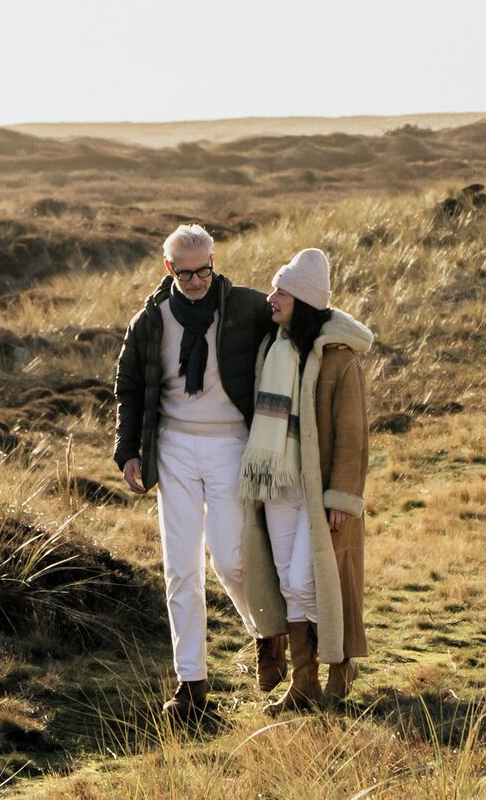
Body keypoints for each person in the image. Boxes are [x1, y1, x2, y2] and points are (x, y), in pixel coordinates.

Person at [112, 223, 279, 727]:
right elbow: (130, 387)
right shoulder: (150, 321)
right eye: (185, 274)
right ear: (169, 270)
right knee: (180, 569)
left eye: (203, 270)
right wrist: (128, 452)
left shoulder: (245, 308)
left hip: (231, 445)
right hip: (175, 449)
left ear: (213, 261)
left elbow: (296, 328)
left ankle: (267, 636)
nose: (196, 281)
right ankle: (191, 686)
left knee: (231, 559)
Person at [239, 247, 372, 712]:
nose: (271, 298)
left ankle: (340, 669)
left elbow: (352, 436)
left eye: (282, 291)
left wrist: (342, 495)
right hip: (277, 483)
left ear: (304, 300)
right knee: (288, 581)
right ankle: (303, 686)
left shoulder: (338, 359)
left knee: (310, 581)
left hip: (318, 492)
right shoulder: (272, 348)